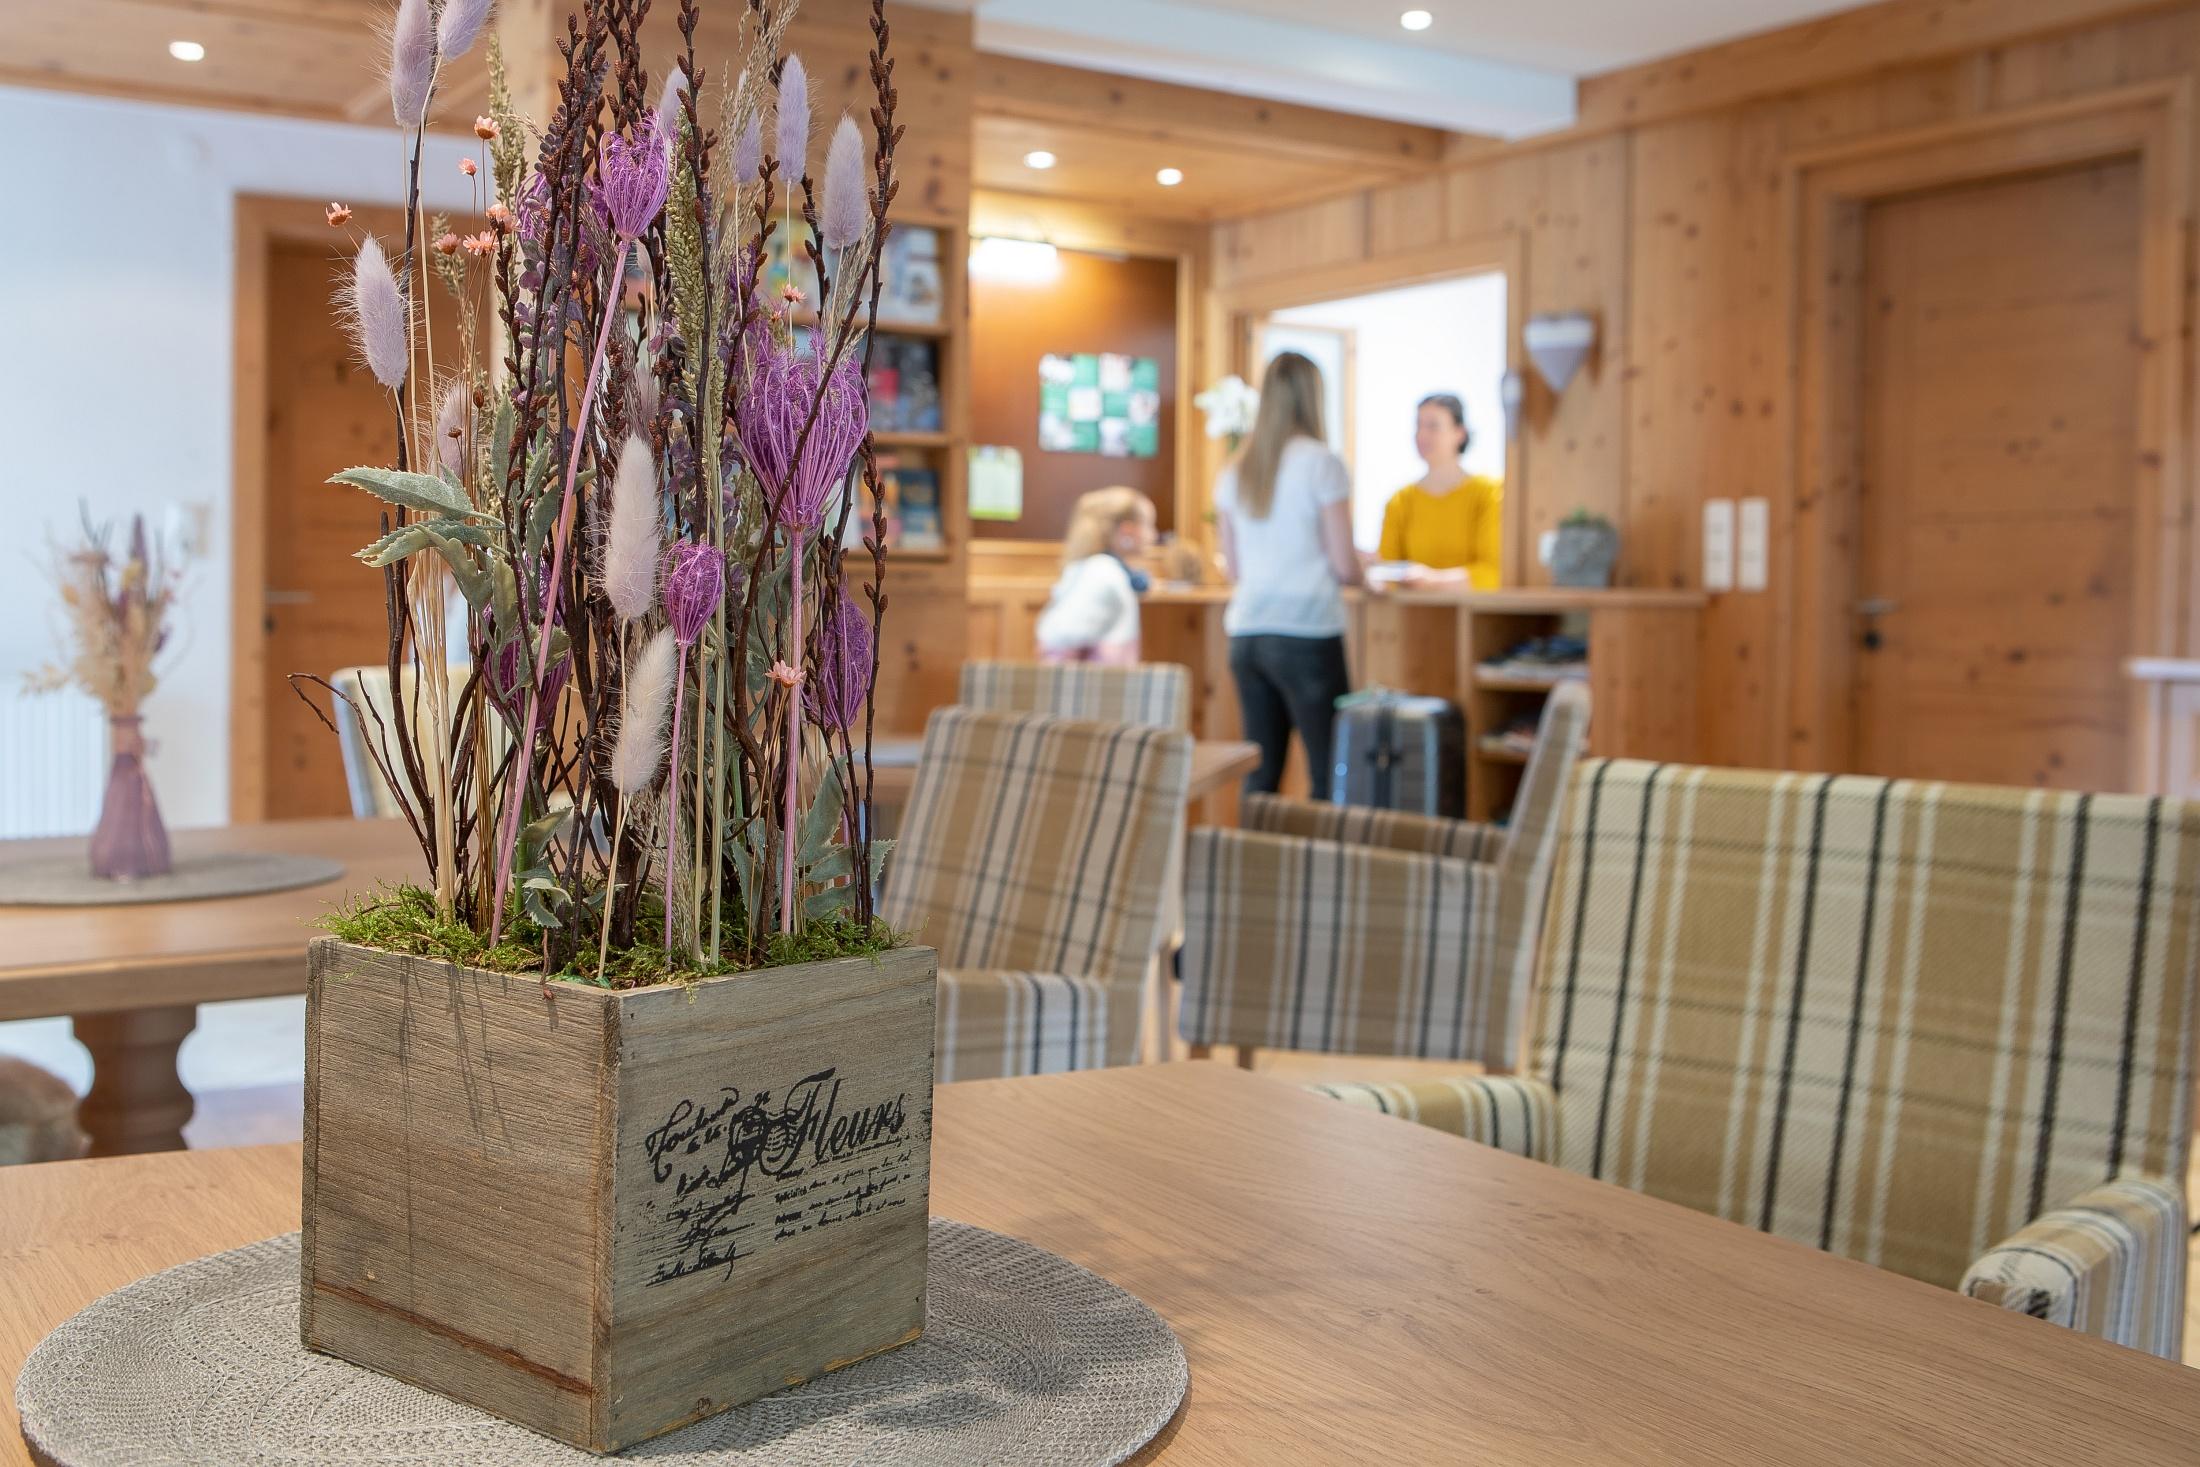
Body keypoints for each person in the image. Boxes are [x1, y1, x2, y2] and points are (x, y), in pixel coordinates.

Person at [1214, 352, 1364, 797]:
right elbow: (1345, 566)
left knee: (1261, 775)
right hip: (1306, 631)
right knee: (1329, 772)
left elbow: (1234, 568)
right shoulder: (1322, 463)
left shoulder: (1237, 469)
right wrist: (1367, 574)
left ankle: (1251, 846)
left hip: (1248, 632)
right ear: (1313, 397)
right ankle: (1324, 849)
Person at [1375, 393, 1502, 589]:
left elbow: (1492, 573)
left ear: (1460, 433)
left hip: (1473, 608)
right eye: (1419, 425)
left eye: (1433, 426)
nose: (1422, 435)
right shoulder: (1400, 501)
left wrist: (1432, 580)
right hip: (1412, 608)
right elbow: (1386, 573)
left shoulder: (1488, 493)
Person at [1035, 486, 1157, 665]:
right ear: (1128, 530)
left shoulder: (1097, 569)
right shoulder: (1105, 575)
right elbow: (1058, 638)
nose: (1153, 535)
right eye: (1149, 525)